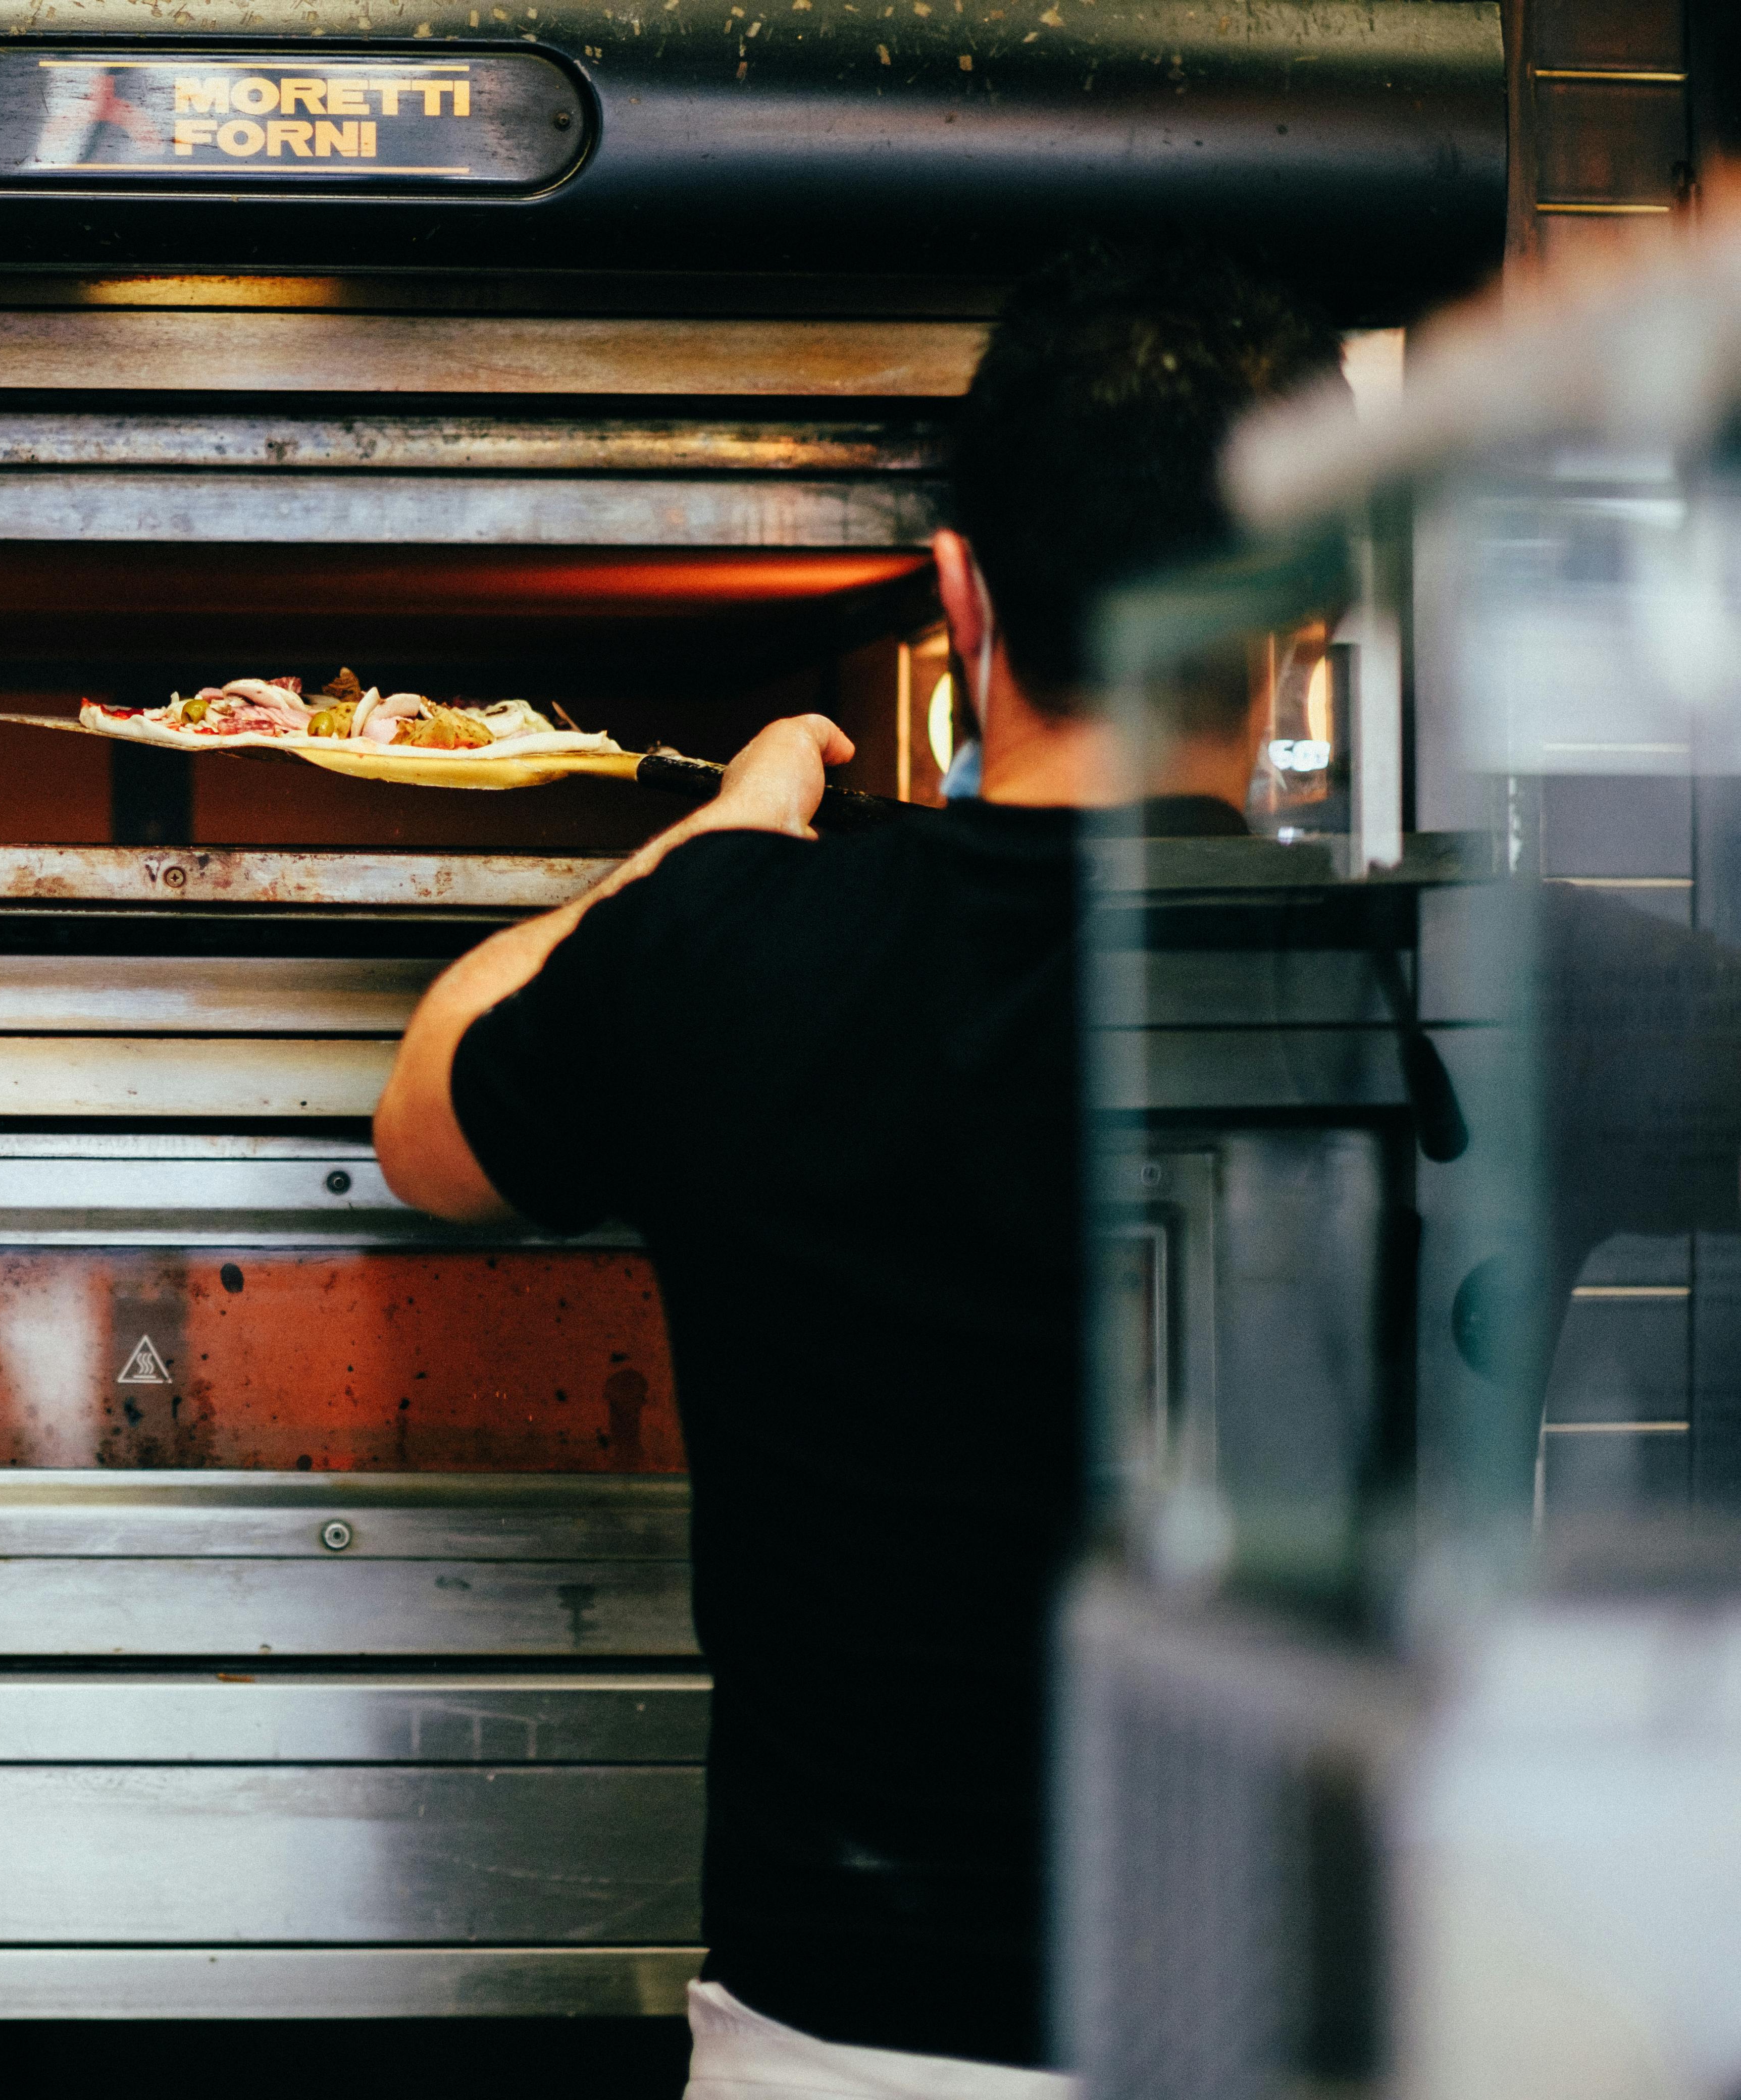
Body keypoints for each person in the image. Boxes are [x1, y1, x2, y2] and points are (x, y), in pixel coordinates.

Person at [371, 245, 1345, 2069]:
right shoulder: (1436, 971)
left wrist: (708, 846)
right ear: (1307, 616)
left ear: (962, 597)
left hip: (852, 2039)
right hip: (1312, 2026)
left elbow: (427, 1125)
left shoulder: (743, 943)